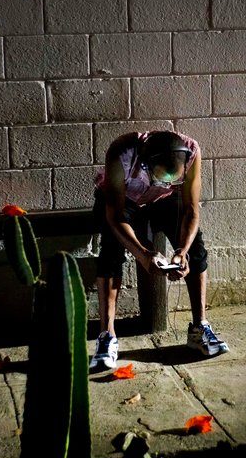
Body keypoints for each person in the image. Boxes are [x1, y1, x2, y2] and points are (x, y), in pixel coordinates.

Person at [89, 130, 229, 371]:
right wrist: (143, 254)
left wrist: (182, 250)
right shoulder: (121, 152)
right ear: (146, 164)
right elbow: (115, 216)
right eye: (162, 177)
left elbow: (191, 209)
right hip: (124, 200)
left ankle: (199, 328)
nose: (167, 182)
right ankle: (107, 336)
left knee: (195, 248)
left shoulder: (192, 151)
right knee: (111, 248)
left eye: (173, 178)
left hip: (163, 200)